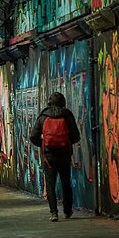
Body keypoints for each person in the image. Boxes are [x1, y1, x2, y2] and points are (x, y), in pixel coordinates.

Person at [30, 91, 81, 222]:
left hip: (49, 156)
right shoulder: (67, 115)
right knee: (66, 183)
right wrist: (66, 142)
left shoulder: (43, 116)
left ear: (49, 102)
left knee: (50, 185)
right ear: (63, 102)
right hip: (64, 154)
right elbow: (76, 136)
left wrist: (43, 144)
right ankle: (67, 211)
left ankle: (54, 213)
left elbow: (33, 136)